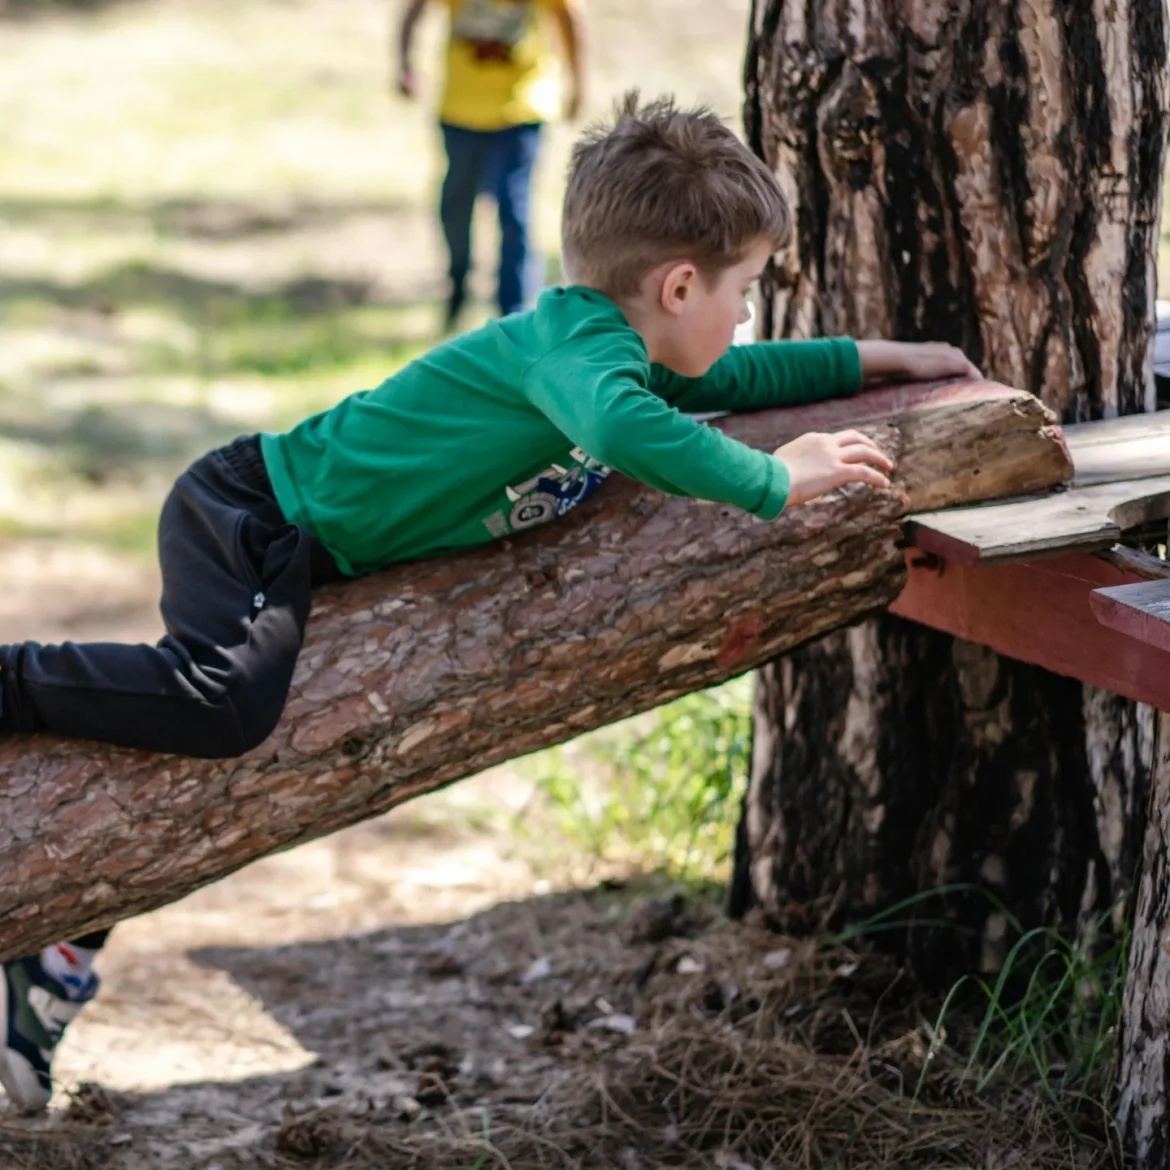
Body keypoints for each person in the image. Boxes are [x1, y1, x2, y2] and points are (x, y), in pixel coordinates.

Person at [0, 92, 978, 1112]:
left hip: (306, 549)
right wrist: (780, 478)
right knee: (221, 708)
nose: (746, 314)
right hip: (252, 515)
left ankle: (57, 943)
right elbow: (625, 424)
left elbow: (732, 374)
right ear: (678, 284)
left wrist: (884, 361)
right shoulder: (579, 358)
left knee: (197, 751)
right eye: (746, 290)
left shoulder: (620, 342)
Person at [397, 0, 585, 327]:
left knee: (514, 209)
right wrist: (404, 63)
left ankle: (515, 316)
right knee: (455, 207)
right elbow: (415, 9)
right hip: (460, 110)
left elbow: (567, 17)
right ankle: (457, 282)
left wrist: (577, 84)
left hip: (522, 108)